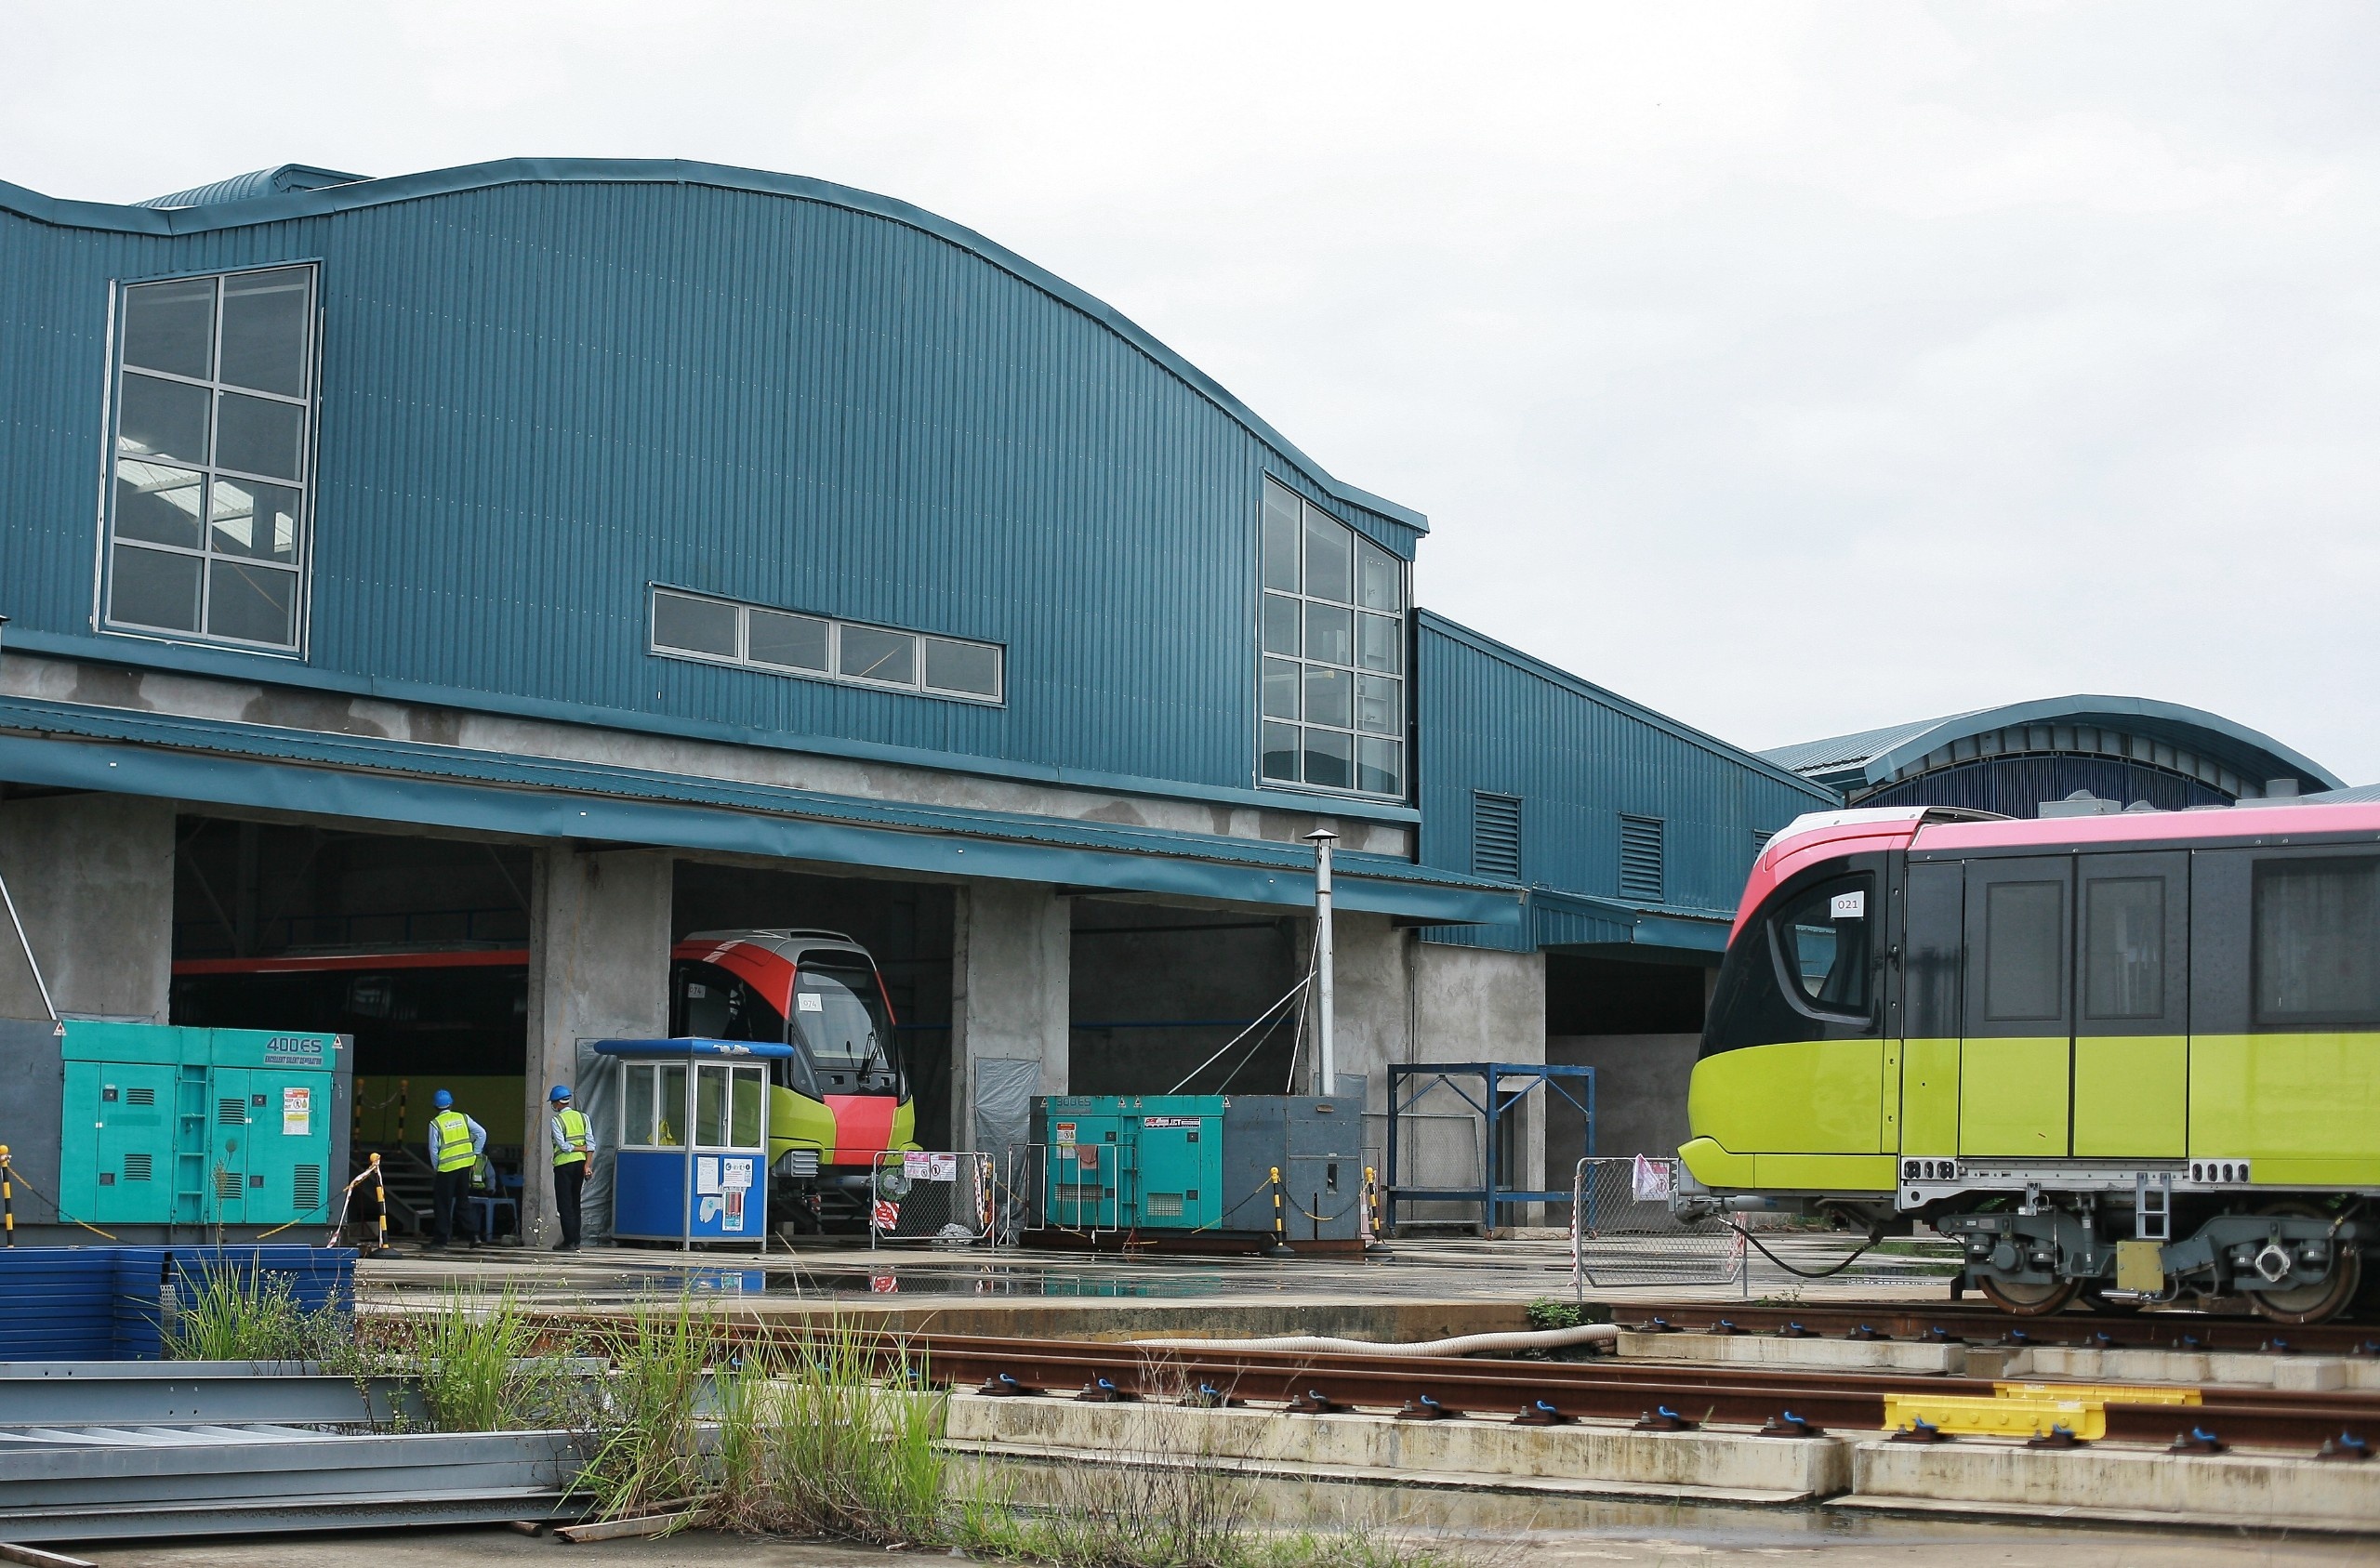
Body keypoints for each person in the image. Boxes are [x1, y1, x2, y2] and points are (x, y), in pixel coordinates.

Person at [425, 1088, 487, 1251]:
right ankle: (474, 1236)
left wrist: (436, 1168)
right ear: (451, 1103)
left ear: (435, 1106)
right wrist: (476, 1153)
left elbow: (433, 1150)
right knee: (463, 1201)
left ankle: (441, 1239)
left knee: (442, 1204)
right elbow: (482, 1133)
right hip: (465, 1166)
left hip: (447, 1169)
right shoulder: (462, 1117)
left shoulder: (435, 1123)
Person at [548, 1083, 593, 1252]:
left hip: (564, 1166)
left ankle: (569, 1241)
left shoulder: (557, 1120)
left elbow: (564, 1146)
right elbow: (591, 1144)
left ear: (558, 1103)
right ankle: (577, 1240)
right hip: (581, 1164)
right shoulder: (583, 1117)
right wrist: (587, 1164)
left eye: (553, 1102)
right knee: (575, 1202)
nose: (553, 1106)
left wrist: (577, 1148)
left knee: (565, 1204)